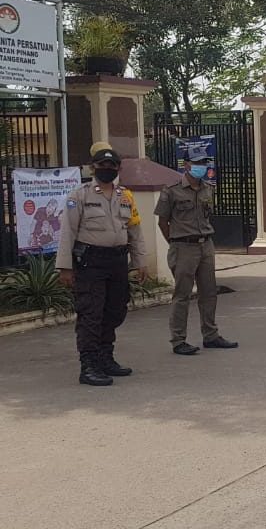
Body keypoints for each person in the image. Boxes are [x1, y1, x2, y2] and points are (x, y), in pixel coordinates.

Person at [56, 148, 147, 387]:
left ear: (118, 168)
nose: (107, 169)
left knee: (115, 311)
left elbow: (134, 231)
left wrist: (140, 262)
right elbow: (68, 232)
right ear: (92, 168)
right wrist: (65, 268)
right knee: (91, 314)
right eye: (102, 165)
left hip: (117, 262)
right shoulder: (80, 196)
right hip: (91, 262)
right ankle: (89, 366)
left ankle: (106, 358)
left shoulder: (126, 196)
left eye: (111, 165)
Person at [156, 152, 237, 355]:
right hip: (183, 246)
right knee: (182, 294)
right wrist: (176, 242)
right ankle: (178, 340)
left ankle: (210, 335)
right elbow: (162, 222)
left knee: (209, 293)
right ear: (187, 165)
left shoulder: (208, 190)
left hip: (206, 245)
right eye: (197, 163)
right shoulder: (171, 191)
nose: (201, 166)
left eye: (204, 163)